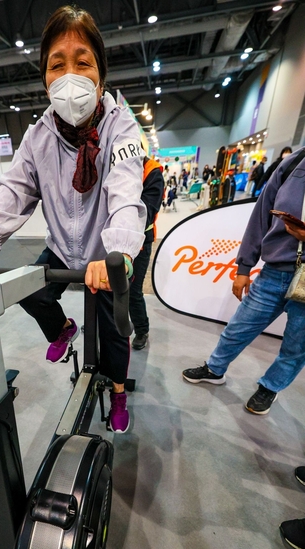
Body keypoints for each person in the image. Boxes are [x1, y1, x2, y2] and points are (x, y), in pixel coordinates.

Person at [0, 5, 146, 433]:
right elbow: (14, 189)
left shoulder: (121, 128)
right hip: (62, 248)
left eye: (82, 62)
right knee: (25, 288)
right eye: (57, 65)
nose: (69, 76)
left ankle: (119, 392)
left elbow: (125, 190)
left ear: (100, 74)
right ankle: (63, 328)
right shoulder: (38, 135)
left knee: (115, 335)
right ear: (45, 78)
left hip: (105, 254)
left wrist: (119, 252)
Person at [182, 146, 305, 415]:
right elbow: (262, 213)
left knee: (297, 346)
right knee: (239, 327)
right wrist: (244, 267)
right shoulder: (295, 162)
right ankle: (215, 369)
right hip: (276, 270)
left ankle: (270, 387)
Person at [130, 155, 164, 350]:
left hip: (140, 241)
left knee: (133, 291)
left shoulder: (152, 172)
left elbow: (146, 212)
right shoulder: (113, 166)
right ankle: (103, 322)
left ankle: (141, 330)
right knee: (106, 287)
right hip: (112, 240)